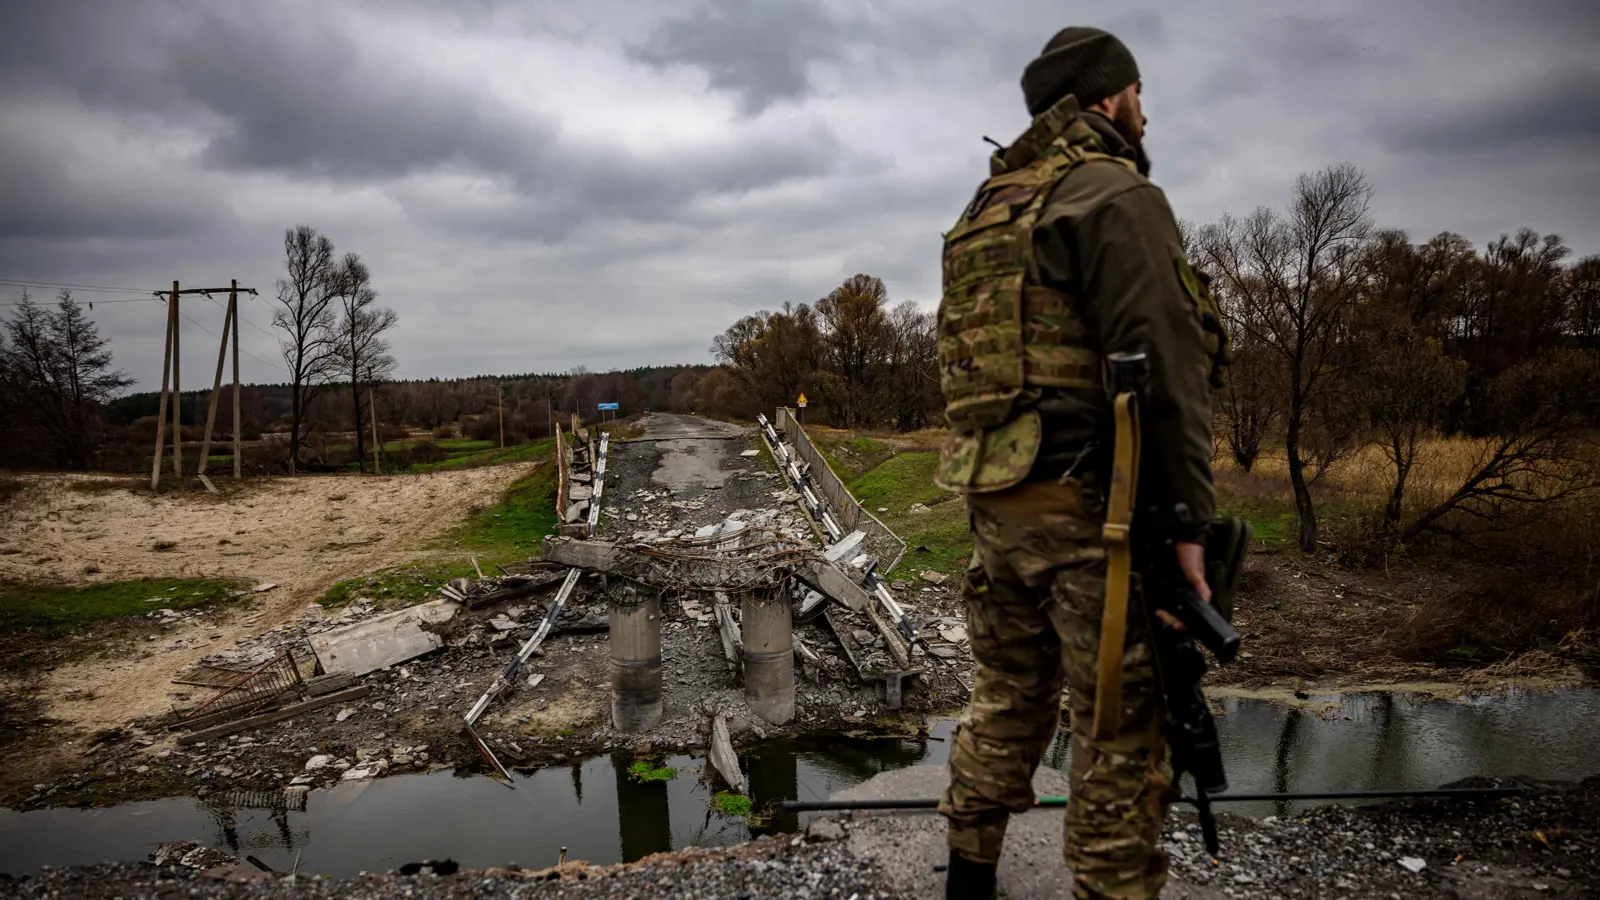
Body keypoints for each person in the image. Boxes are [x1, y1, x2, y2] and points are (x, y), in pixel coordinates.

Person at [932, 25, 1229, 900]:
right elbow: (1167, 367)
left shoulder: (986, 211)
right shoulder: (1109, 193)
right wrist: (1187, 530)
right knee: (1119, 734)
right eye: (1140, 94)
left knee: (1006, 704)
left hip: (999, 510)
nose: (1147, 112)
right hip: (1095, 515)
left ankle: (967, 884)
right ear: (1110, 98)